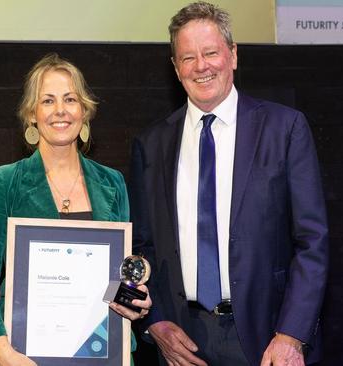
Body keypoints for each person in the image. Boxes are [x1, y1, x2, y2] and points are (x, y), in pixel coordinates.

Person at [129, 2, 329, 366]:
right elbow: (142, 245)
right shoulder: (151, 144)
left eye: (211, 53)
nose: (201, 66)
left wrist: (291, 335)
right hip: (182, 344)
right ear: (175, 68)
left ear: (233, 55)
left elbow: (312, 243)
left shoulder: (284, 129)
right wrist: (154, 323)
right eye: (188, 57)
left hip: (268, 340)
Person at [0, 53, 152, 366]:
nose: (60, 111)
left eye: (70, 99)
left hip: (102, 353)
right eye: (48, 101)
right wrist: (0, 350)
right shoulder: (7, 181)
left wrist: (132, 300)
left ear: (84, 110)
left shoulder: (112, 183)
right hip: (23, 356)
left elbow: (112, 279)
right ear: (32, 114)